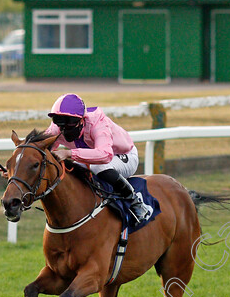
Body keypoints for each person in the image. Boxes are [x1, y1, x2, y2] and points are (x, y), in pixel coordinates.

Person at [45, 93, 153, 223]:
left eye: (69, 123)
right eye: (59, 122)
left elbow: (105, 155)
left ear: (81, 120)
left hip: (123, 156)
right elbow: (41, 146)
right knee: (72, 169)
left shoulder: (98, 123)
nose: (63, 129)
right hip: (94, 159)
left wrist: (69, 153)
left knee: (97, 166)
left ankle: (135, 202)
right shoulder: (57, 128)